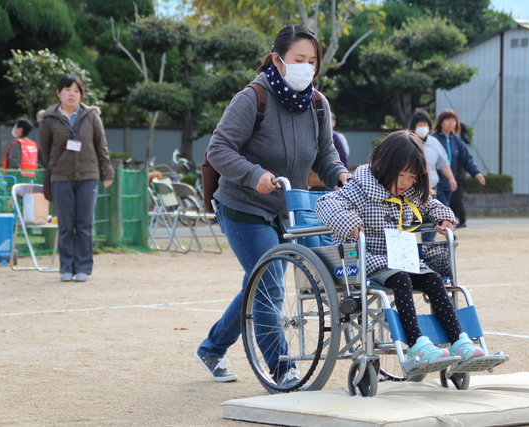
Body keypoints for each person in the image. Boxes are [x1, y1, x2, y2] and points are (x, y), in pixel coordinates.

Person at [195, 25, 350, 384]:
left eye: (312, 61)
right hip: (243, 206)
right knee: (270, 281)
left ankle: (212, 348)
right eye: (299, 60)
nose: (306, 67)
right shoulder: (253, 98)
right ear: (278, 60)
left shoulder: (317, 104)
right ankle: (283, 368)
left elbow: (325, 155)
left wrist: (341, 175)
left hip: (287, 208)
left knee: (259, 281)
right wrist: (254, 175)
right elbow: (218, 150)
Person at [315, 130, 484, 364]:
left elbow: (430, 204)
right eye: (401, 175)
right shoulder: (360, 187)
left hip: (399, 258)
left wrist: (444, 218)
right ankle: (416, 344)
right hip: (366, 257)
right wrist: (350, 223)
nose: (406, 182)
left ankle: (458, 341)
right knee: (401, 278)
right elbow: (326, 203)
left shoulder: (410, 193)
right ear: (385, 167)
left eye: (412, 176)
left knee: (433, 279)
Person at [38, 75, 114, 283]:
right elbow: (45, 149)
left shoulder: (91, 116)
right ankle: (66, 268)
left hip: (88, 176)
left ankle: (82, 267)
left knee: (84, 223)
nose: (72, 94)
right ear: (58, 92)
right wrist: (56, 167)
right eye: (67, 89)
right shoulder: (48, 119)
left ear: (81, 94)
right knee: (65, 224)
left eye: (76, 90)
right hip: (60, 178)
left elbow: (101, 145)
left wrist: (106, 172)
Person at [408, 109, 456, 242]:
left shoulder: (434, 142)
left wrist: (451, 178)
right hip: (409, 192)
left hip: (431, 189)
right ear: (413, 127)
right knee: (407, 224)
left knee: (431, 223)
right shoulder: (406, 141)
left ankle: (428, 248)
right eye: (419, 125)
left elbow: (443, 162)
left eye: (425, 125)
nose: (423, 128)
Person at [431, 110, 485, 208]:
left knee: (444, 210)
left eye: (453, 120)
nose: (451, 122)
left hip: (450, 183)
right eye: (447, 120)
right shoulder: (433, 139)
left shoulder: (457, 140)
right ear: (441, 122)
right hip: (435, 182)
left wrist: (477, 173)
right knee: (443, 209)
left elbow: (467, 159)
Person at [307, 111, 349, 190]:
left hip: (331, 179)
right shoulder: (311, 135)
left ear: (334, 123)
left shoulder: (336, 137)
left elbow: (341, 158)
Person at [450, 122, 472, 228]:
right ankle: (454, 220)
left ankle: (462, 221)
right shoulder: (457, 141)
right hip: (457, 176)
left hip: (458, 177)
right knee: (454, 201)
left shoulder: (459, 142)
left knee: (457, 200)